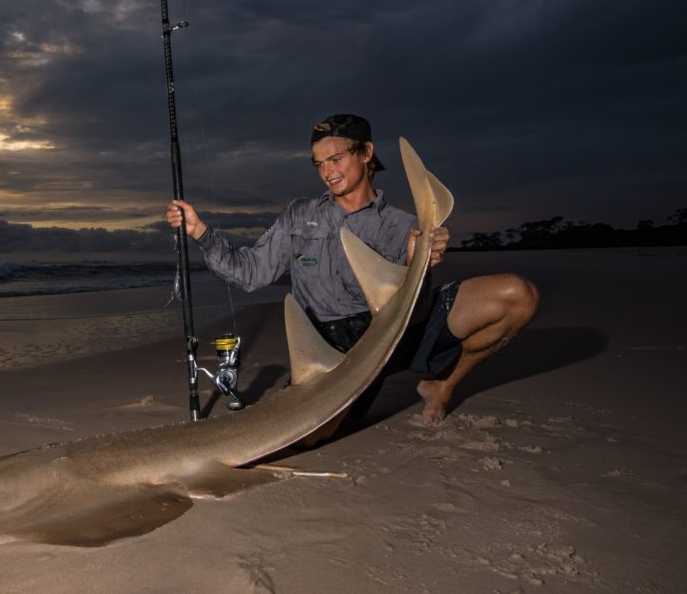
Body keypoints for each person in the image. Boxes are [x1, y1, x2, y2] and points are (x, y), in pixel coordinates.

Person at [165, 113, 539, 432]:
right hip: (332, 349)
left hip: (390, 330)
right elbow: (249, 273)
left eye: (337, 158)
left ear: (366, 153)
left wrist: (417, 263)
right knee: (304, 435)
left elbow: (415, 307)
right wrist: (201, 232)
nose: (328, 171)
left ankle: (442, 385)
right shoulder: (299, 214)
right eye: (319, 164)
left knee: (517, 296)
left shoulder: (401, 226)